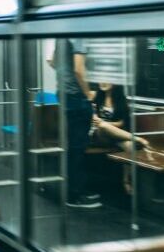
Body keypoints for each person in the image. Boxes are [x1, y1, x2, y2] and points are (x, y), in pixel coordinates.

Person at [49, 38, 100, 208]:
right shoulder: (79, 36)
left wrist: (64, 77)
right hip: (77, 98)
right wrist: (88, 94)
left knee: (71, 147)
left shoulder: (61, 36)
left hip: (63, 95)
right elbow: (79, 70)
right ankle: (75, 195)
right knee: (78, 147)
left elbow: (52, 60)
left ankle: (73, 189)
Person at [91, 82, 150, 194]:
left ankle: (126, 180)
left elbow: (121, 122)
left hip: (114, 135)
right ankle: (137, 138)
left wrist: (106, 124)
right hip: (99, 136)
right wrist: (103, 123)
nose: (102, 83)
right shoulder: (96, 97)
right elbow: (95, 120)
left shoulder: (121, 100)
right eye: (100, 80)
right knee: (103, 127)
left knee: (130, 146)